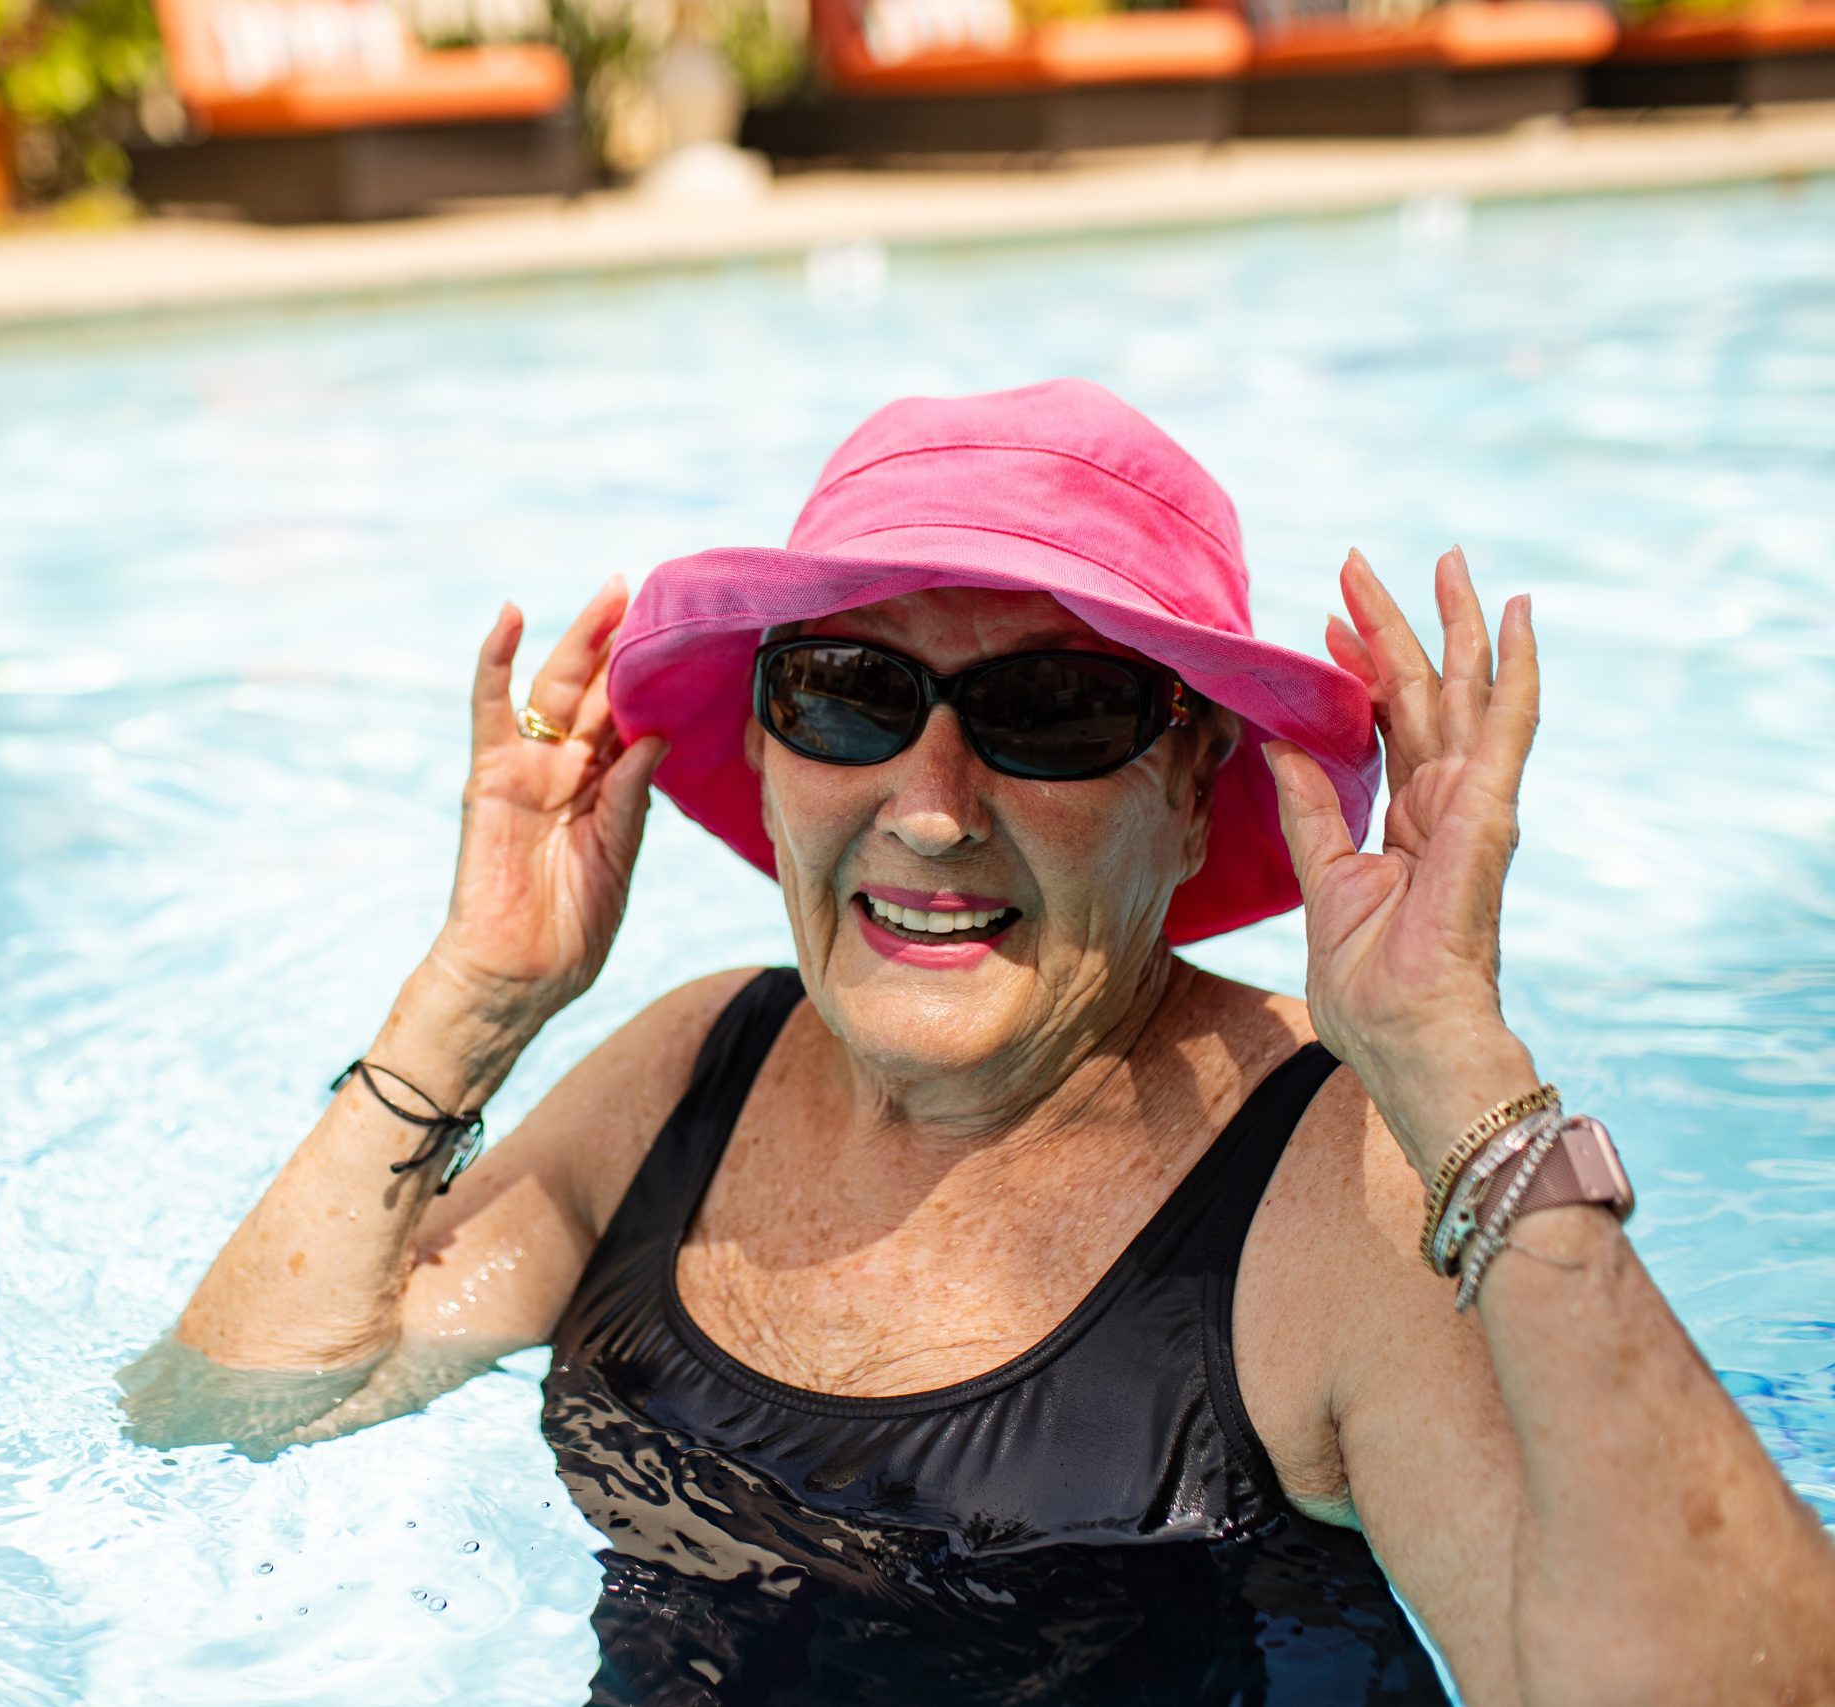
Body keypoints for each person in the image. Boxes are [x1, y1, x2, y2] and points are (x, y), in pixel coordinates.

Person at [119, 380, 1835, 1704]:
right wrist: (477, 997)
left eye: (1052, 713)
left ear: (1191, 786)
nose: (929, 811)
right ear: (773, 751)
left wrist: (1462, 1074)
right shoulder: (686, 1071)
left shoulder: (1340, 1186)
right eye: (851, 695)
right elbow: (236, 1412)